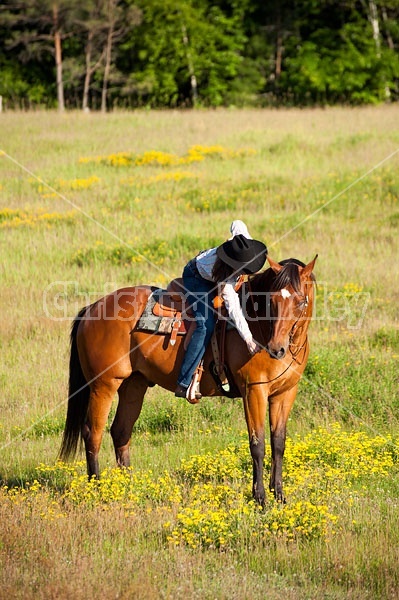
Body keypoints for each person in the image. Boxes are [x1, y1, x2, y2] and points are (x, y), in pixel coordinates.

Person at [175, 220, 268, 401]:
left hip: (216, 271)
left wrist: (236, 237)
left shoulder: (241, 243)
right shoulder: (225, 277)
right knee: (205, 325)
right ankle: (184, 381)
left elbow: (237, 223)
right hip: (196, 277)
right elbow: (232, 305)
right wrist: (248, 338)